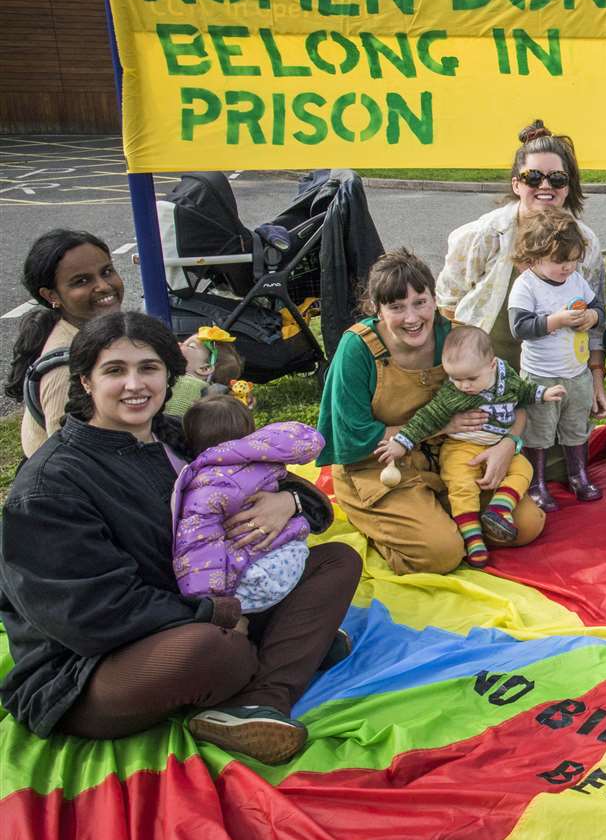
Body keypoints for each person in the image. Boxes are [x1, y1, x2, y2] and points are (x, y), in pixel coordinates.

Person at [0, 312, 359, 763]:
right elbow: (89, 616)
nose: (135, 384)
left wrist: (289, 502)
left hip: (203, 605)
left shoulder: (179, 434)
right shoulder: (50, 486)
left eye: (148, 368)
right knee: (213, 650)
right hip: (92, 666)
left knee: (337, 560)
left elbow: (272, 479)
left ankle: (259, 702)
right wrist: (214, 613)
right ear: (86, 382)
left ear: (169, 375)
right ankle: (278, 655)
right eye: (115, 370)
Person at [318, 250, 547, 574]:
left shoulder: (457, 338)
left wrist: (507, 444)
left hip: (451, 459)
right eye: (396, 307)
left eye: (420, 302)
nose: (411, 318)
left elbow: (515, 401)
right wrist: (441, 425)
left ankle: (439, 517)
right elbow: (351, 438)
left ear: (434, 298)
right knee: (442, 554)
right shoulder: (357, 350)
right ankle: (384, 524)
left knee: (527, 524)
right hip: (379, 468)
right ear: (377, 308)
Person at [436, 121, 606, 486]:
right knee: (484, 465)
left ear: (568, 186)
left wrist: (595, 376)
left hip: (557, 371)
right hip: (493, 362)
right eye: (533, 177)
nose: (545, 186)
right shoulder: (484, 234)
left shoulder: (586, 243)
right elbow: (448, 301)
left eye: (556, 179)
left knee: (553, 468)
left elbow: (597, 320)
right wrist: (464, 371)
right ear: (517, 184)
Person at [377, 326, 562, 567]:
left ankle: (499, 508)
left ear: (492, 365)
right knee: (461, 486)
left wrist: (544, 393)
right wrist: (401, 443)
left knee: (523, 469)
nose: (463, 385)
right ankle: (473, 537)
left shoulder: (506, 378)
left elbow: (523, 391)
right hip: (461, 446)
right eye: (455, 378)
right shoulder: (453, 394)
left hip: (496, 443)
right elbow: (426, 419)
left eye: (470, 379)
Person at [173, 396, 324, 614]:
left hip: (255, 575)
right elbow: (304, 440)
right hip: (291, 553)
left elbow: (198, 542)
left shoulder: (206, 485)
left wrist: (205, 599)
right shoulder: (266, 461)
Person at [507, 206, 605, 510]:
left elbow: (598, 309)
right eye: (559, 261)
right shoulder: (527, 285)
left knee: (576, 425)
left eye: (573, 260)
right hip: (541, 377)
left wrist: (591, 315)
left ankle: (578, 474)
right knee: (539, 429)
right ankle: (536, 482)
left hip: (577, 374)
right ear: (534, 257)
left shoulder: (575, 280)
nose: (567, 267)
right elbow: (519, 327)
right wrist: (557, 320)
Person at [9, 229, 125, 458]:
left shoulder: (92, 335)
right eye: (81, 281)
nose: (103, 286)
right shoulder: (66, 370)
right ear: (52, 296)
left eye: (107, 271)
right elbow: (71, 463)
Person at [167, 328, 244, 419]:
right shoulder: (207, 395)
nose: (179, 344)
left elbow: (172, 416)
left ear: (205, 369)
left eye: (191, 346)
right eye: (183, 342)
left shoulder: (188, 384)